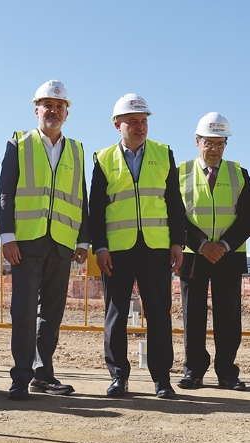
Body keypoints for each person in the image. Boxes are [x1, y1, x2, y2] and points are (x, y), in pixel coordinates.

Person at [0, 80, 89, 400]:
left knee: (52, 311)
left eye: (59, 105)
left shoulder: (76, 150)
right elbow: (5, 192)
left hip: (62, 241)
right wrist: (7, 236)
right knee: (22, 310)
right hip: (26, 241)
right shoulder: (19, 143)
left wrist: (83, 240)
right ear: (36, 109)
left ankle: (42, 373)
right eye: (47, 104)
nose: (53, 110)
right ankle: (20, 376)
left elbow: (81, 196)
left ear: (67, 113)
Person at [90, 94, 186, 399]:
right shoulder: (103, 159)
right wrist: (100, 247)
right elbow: (96, 208)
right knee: (116, 313)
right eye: (132, 121)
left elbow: (174, 202)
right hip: (117, 250)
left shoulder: (163, 154)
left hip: (156, 248)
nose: (139, 126)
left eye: (143, 121)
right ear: (118, 125)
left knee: (159, 313)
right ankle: (119, 377)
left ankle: (162, 379)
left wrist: (177, 243)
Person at [176, 112, 250, 392]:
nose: (214, 149)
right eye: (209, 143)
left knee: (228, 318)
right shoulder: (180, 173)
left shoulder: (240, 175)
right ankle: (193, 370)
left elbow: (246, 220)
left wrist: (222, 246)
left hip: (228, 256)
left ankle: (227, 372)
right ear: (197, 142)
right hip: (194, 255)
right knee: (193, 316)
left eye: (220, 143)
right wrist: (201, 244)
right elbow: (177, 217)